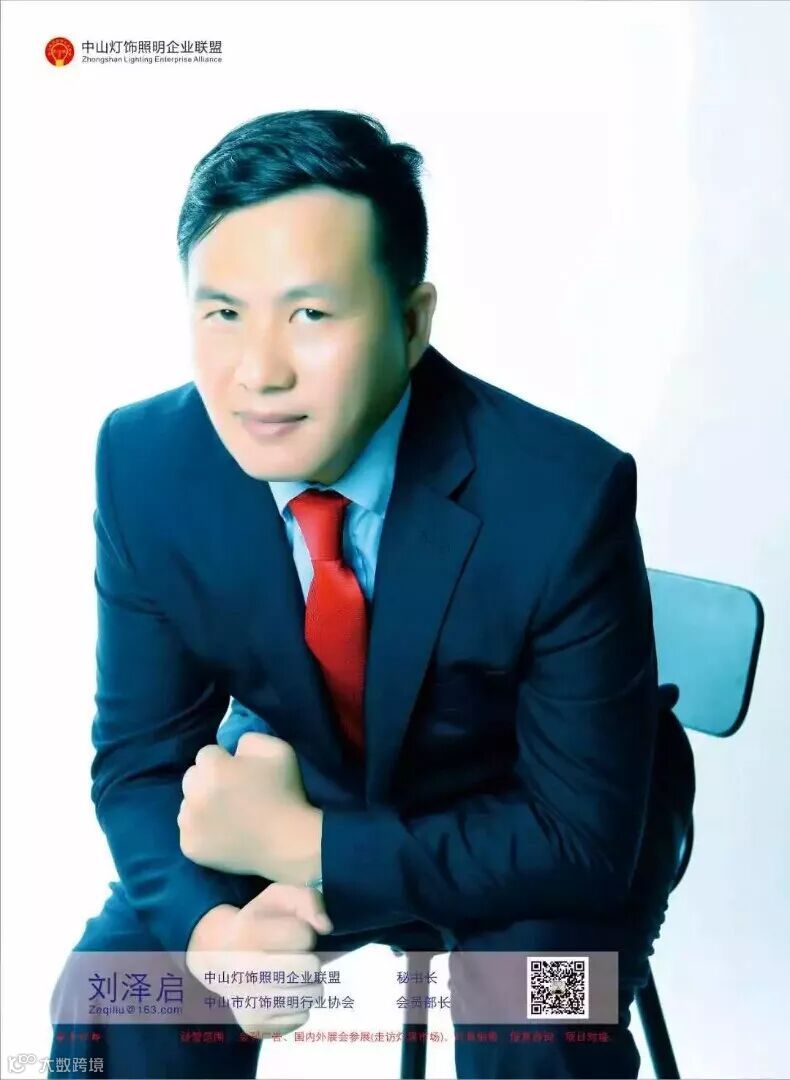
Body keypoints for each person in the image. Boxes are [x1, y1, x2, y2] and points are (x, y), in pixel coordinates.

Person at [48, 108, 695, 1079]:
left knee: (539, 1016)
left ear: (412, 320)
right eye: (222, 314)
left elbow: (577, 841)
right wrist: (217, 937)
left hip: (539, 830)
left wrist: (308, 848)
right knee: (116, 988)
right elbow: (139, 762)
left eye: (310, 315)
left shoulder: (562, 495)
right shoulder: (146, 463)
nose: (258, 374)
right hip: (307, 776)